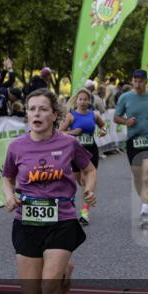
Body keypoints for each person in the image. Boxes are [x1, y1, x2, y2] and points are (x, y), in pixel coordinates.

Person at [2, 88, 96, 294]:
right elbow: (7, 177)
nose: (36, 114)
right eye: (31, 109)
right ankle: (64, 269)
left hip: (62, 220)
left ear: (55, 115)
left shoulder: (68, 144)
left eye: (43, 109)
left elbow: (89, 170)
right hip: (27, 222)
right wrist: (9, 195)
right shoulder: (16, 147)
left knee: (49, 283)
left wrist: (89, 190)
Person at [114, 69, 148, 229]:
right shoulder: (125, 97)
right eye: (135, 81)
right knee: (137, 177)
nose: (138, 84)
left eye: (141, 81)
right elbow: (116, 117)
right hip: (133, 140)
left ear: (146, 81)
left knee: (146, 176)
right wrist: (126, 122)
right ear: (132, 81)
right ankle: (145, 201)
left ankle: (145, 211)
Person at [61, 88, 107, 226]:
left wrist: (103, 130)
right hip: (75, 152)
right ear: (77, 100)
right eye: (80, 99)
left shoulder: (94, 115)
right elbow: (60, 132)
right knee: (80, 183)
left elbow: (103, 125)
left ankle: (85, 213)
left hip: (91, 151)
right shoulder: (71, 116)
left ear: (89, 101)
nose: (82, 102)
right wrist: (73, 132)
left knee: (88, 182)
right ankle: (72, 208)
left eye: (85, 99)